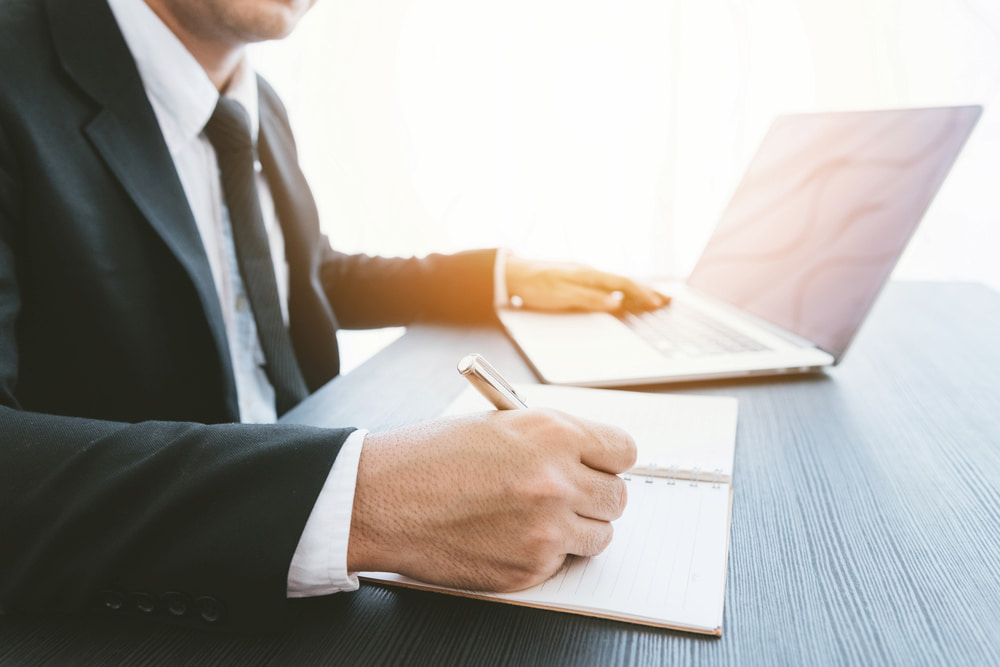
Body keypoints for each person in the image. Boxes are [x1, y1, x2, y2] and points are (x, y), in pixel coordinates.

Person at [0, 0, 666, 631]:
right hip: (130, 610)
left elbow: (300, 273)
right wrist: (359, 501)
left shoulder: (260, 103)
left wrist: (495, 275)